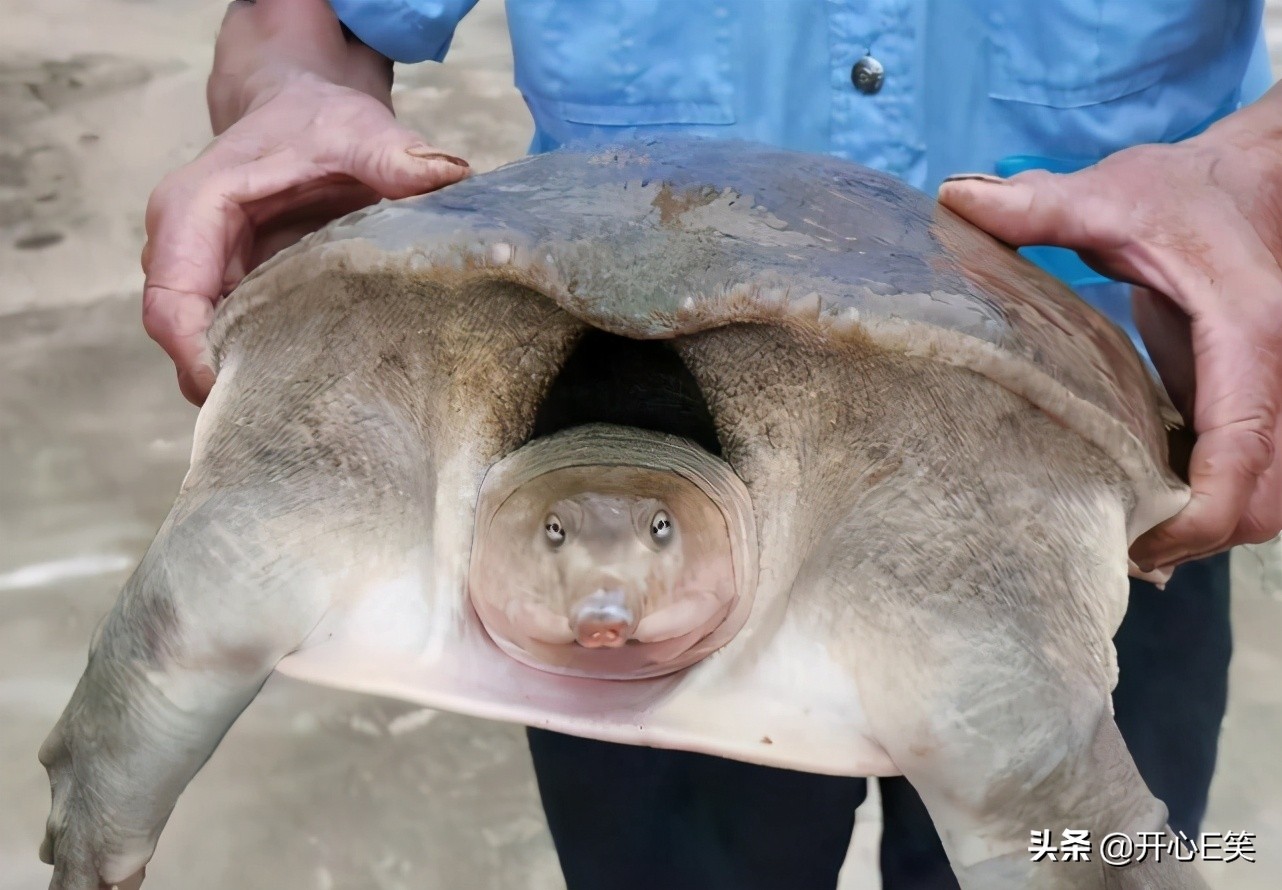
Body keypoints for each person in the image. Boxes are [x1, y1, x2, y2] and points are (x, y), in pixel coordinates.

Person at [141, 1, 1282, 886]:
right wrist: (285, 100)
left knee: (1082, 844)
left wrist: (1256, 176)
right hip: (615, 430)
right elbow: (318, 17)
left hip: (1073, 479)